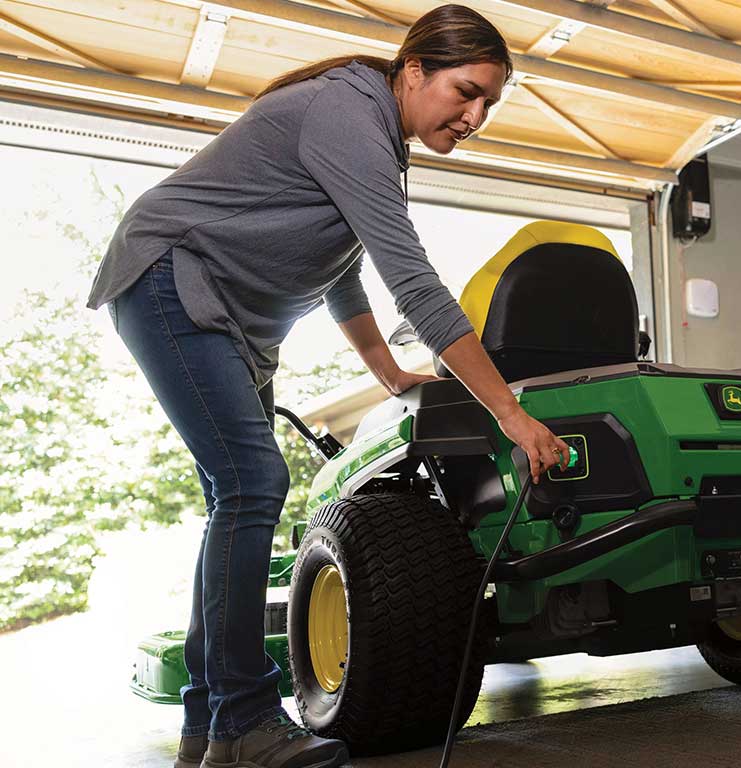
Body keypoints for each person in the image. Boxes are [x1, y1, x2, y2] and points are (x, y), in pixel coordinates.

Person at [85, 5, 569, 767]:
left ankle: (209, 730)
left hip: (227, 317)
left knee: (237, 497)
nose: (475, 116)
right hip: (173, 282)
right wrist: (508, 411)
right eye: (465, 92)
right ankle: (244, 718)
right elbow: (413, 281)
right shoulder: (349, 112)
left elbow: (341, 269)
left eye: (489, 105)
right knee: (251, 483)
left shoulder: (377, 137)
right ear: (413, 72)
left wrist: (388, 373)